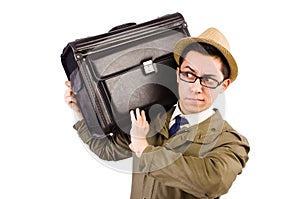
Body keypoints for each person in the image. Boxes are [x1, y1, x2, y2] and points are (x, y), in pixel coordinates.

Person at [64, 27, 250, 199]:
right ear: (178, 74)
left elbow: (212, 182)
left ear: (223, 85)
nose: (195, 87)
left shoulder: (230, 141)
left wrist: (143, 148)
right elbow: (107, 150)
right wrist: (82, 113)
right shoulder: (149, 118)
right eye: (189, 74)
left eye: (208, 79)